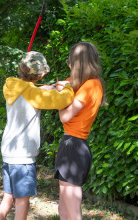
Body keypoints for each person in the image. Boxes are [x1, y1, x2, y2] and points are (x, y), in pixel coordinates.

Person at [0, 51, 74, 220]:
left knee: (9, 198)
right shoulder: (35, 95)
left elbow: (31, 90)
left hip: (9, 153)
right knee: (23, 202)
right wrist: (67, 87)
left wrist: (49, 87)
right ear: (40, 75)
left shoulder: (12, 86)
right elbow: (61, 100)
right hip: (22, 158)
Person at [54, 42, 107, 220]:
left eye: (71, 62)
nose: (69, 65)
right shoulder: (80, 83)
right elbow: (54, 87)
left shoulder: (91, 85)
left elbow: (65, 116)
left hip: (74, 148)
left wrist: (60, 99)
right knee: (63, 208)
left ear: (76, 63)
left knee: (72, 211)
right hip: (71, 146)